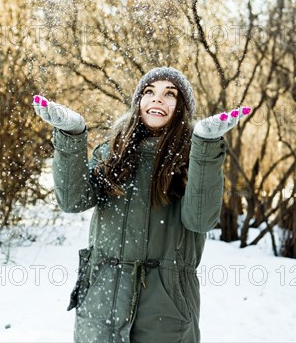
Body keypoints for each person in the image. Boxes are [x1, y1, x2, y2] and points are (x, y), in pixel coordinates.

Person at [32, 67, 252, 343]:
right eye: (149, 92)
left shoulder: (191, 159)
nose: (157, 99)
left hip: (164, 313)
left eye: (169, 94)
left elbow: (199, 220)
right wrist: (72, 135)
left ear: (182, 108)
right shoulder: (111, 152)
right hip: (101, 307)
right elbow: (72, 200)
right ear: (139, 102)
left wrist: (205, 145)